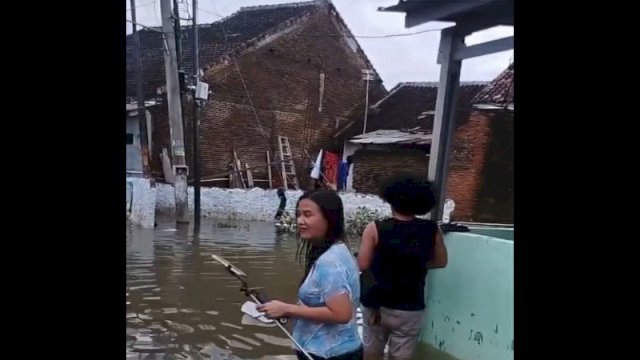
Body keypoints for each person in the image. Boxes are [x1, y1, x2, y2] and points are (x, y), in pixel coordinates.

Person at [258, 190, 362, 360]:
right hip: (332, 349)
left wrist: (287, 309)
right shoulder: (335, 250)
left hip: (330, 354)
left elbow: (342, 314)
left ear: (329, 218)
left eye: (308, 215)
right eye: (298, 215)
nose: (300, 221)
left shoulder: (330, 262)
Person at [357, 175, 448, 360]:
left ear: (390, 199)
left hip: (377, 304)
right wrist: (415, 263)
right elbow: (441, 261)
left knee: (371, 352)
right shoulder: (431, 229)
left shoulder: (375, 228)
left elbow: (363, 264)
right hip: (410, 306)